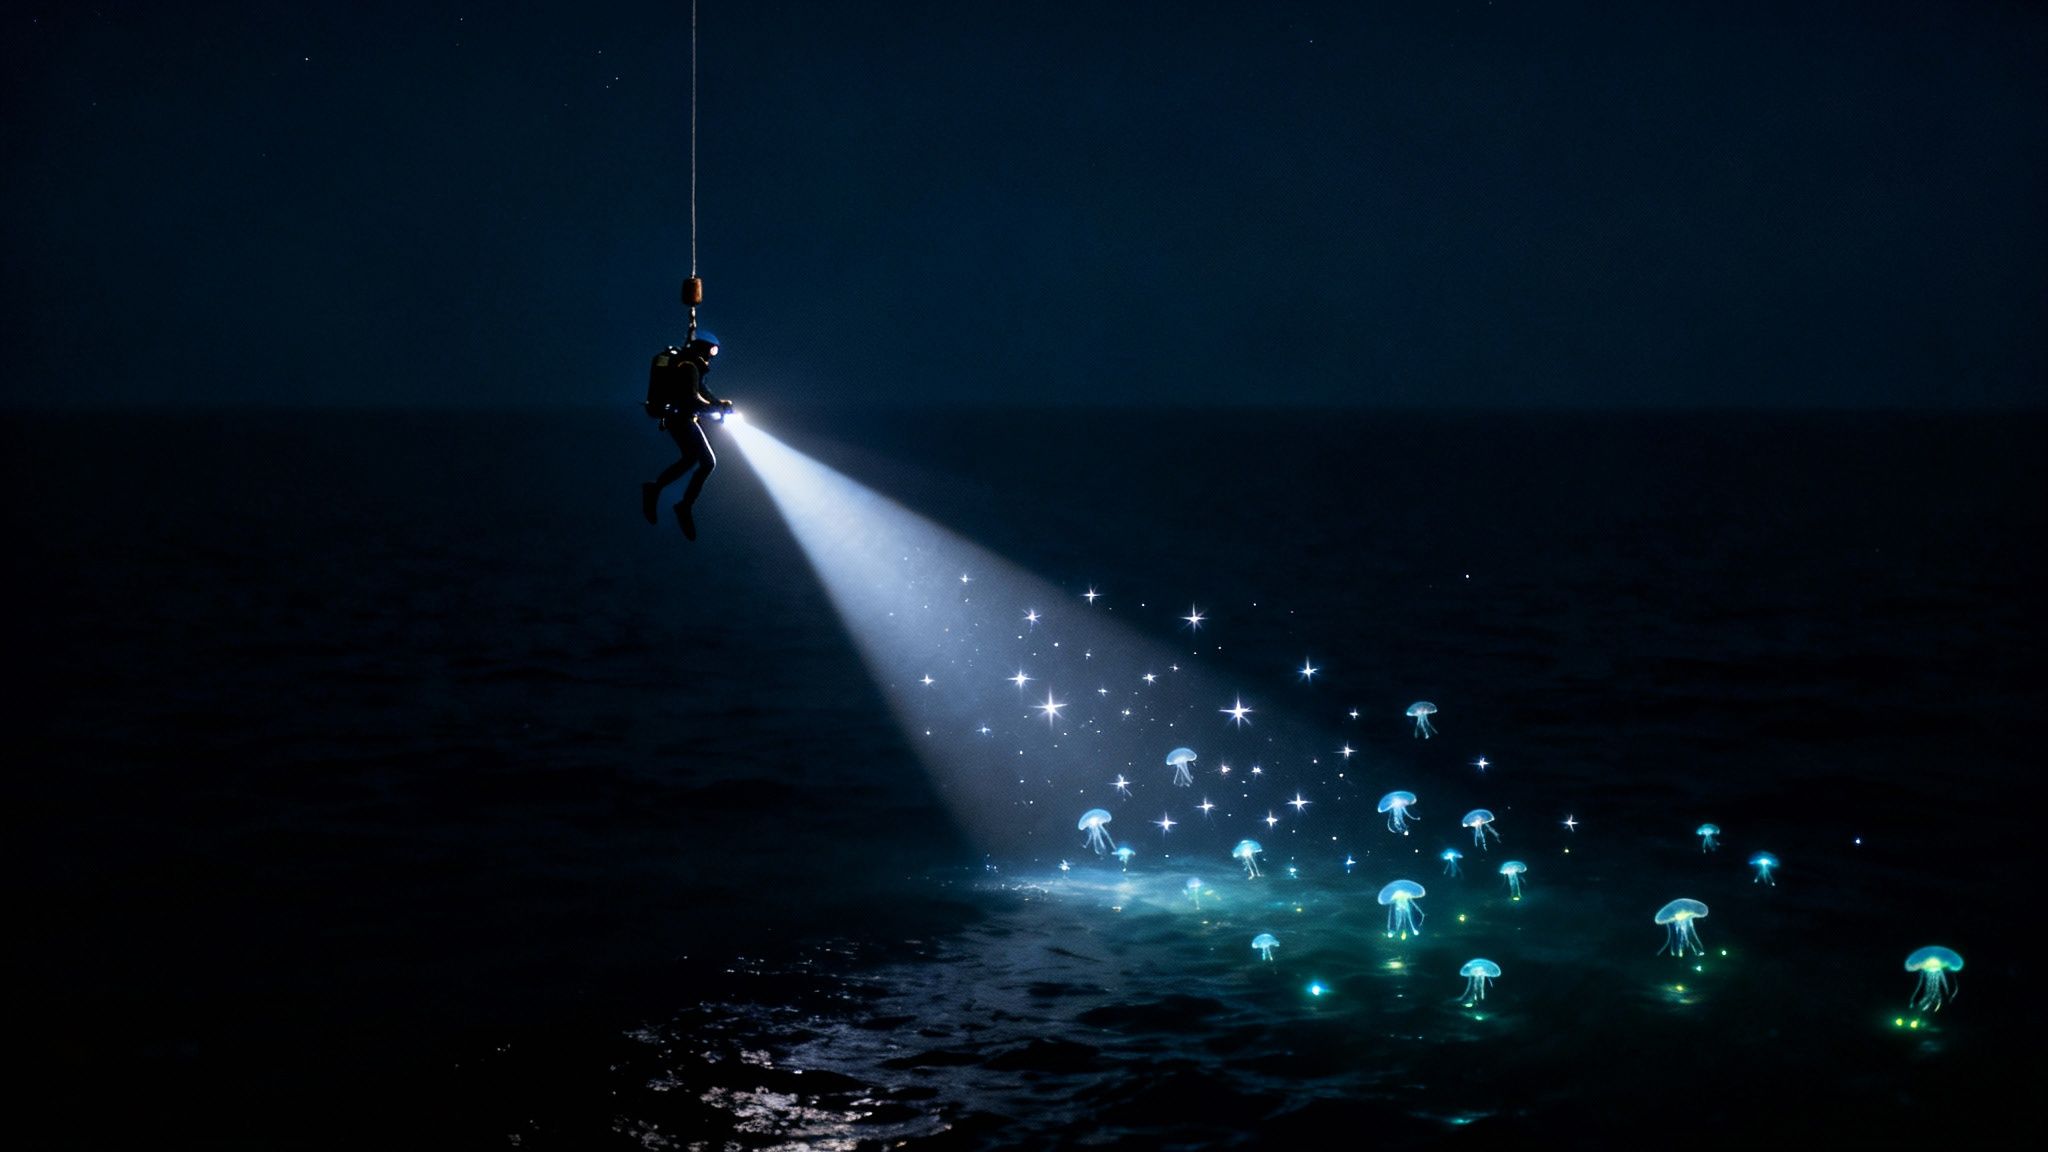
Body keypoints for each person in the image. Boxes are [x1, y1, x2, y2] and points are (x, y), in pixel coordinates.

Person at [640, 334, 733, 541]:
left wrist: (719, 404)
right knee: (707, 462)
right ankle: (679, 504)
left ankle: (658, 491)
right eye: (712, 350)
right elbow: (692, 400)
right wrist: (716, 408)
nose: (713, 356)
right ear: (704, 348)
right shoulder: (688, 367)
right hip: (680, 418)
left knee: (691, 459)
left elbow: (703, 392)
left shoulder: (692, 367)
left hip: (681, 418)